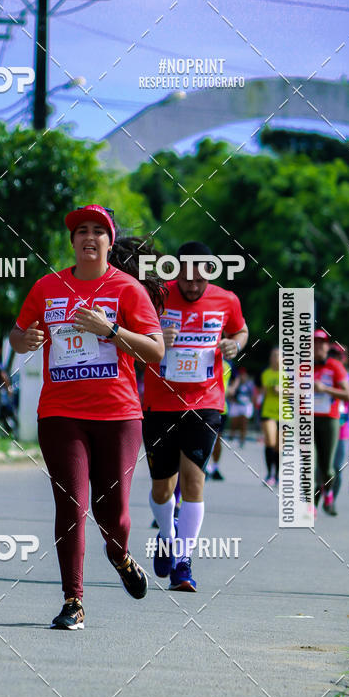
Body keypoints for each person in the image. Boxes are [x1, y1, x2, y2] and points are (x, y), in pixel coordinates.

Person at [10, 205, 164, 630]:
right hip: (61, 413)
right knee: (72, 504)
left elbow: (155, 350)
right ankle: (72, 600)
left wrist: (110, 330)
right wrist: (25, 338)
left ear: (110, 242)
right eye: (81, 231)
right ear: (73, 241)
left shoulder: (128, 289)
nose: (89, 237)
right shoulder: (47, 286)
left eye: (99, 231)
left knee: (112, 514)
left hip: (118, 416)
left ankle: (119, 555)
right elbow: (17, 334)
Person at [142, 241, 248, 591]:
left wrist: (236, 345)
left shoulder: (227, 299)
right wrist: (158, 335)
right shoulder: (156, 295)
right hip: (160, 404)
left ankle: (182, 562)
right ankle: (166, 533)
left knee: (193, 482)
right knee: (162, 488)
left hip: (205, 401)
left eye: (198, 280)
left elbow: (240, 331)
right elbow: (137, 333)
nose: (190, 286)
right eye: (185, 279)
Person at [313, 329, 349, 515]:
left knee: (328, 468)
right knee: (309, 464)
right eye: (314, 343)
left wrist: (325, 389)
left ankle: (327, 492)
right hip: (308, 420)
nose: (318, 347)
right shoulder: (303, 366)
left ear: (327, 347)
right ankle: (310, 505)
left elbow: (348, 394)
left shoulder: (335, 366)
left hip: (330, 420)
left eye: (321, 343)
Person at [328, 342, 349, 510]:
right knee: (320, 467)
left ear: (344, 359)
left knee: (337, 467)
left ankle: (332, 500)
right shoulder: (321, 375)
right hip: (323, 424)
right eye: (331, 355)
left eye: (338, 356)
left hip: (342, 426)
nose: (334, 359)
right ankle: (316, 499)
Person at [206, 358, 232, 481]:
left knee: (217, 440)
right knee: (204, 439)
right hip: (205, 406)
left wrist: (233, 389)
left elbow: (234, 379)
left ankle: (215, 467)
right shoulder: (205, 359)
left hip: (221, 407)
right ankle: (204, 467)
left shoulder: (227, 365)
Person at [260, 347, 280, 486]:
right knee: (270, 442)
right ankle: (269, 473)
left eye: (279, 356)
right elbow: (263, 391)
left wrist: (283, 390)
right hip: (268, 412)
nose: (276, 358)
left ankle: (277, 476)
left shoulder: (288, 374)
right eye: (274, 355)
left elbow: (296, 392)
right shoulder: (266, 373)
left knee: (279, 447)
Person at [227, 367, 256, 448]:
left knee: (244, 423)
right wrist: (232, 400)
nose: (242, 376)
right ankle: (231, 436)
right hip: (236, 404)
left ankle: (242, 440)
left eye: (243, 375)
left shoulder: (249, 384)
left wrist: (253, 404)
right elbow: (231, 393)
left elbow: (253, 395)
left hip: (246, 405)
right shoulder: (236, 383)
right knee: (234, 423)